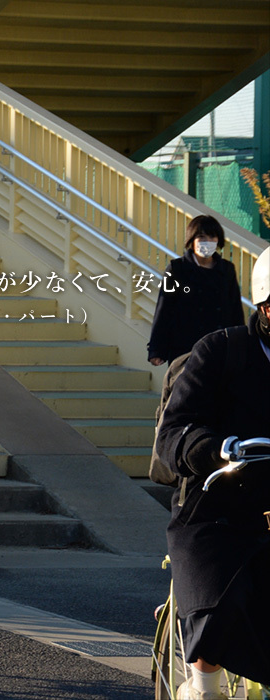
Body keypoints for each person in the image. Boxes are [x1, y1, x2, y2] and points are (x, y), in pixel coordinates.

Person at [157, 247, 270, 698]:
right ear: (263, 304)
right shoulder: (221, 350)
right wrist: (211, 449)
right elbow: (174, 433)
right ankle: (202, 685)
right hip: (214, 512)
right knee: (217, 606)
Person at [147, 215, 244, 367]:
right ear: (191, 241)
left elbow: (235, 310)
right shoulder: (177, 269)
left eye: (212, 237)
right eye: (201, 237)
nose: (207, 242)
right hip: (184, 348)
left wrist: (240, 344)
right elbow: (164, 309)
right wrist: (156, 349)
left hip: (219, 347)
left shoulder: (226, 270)